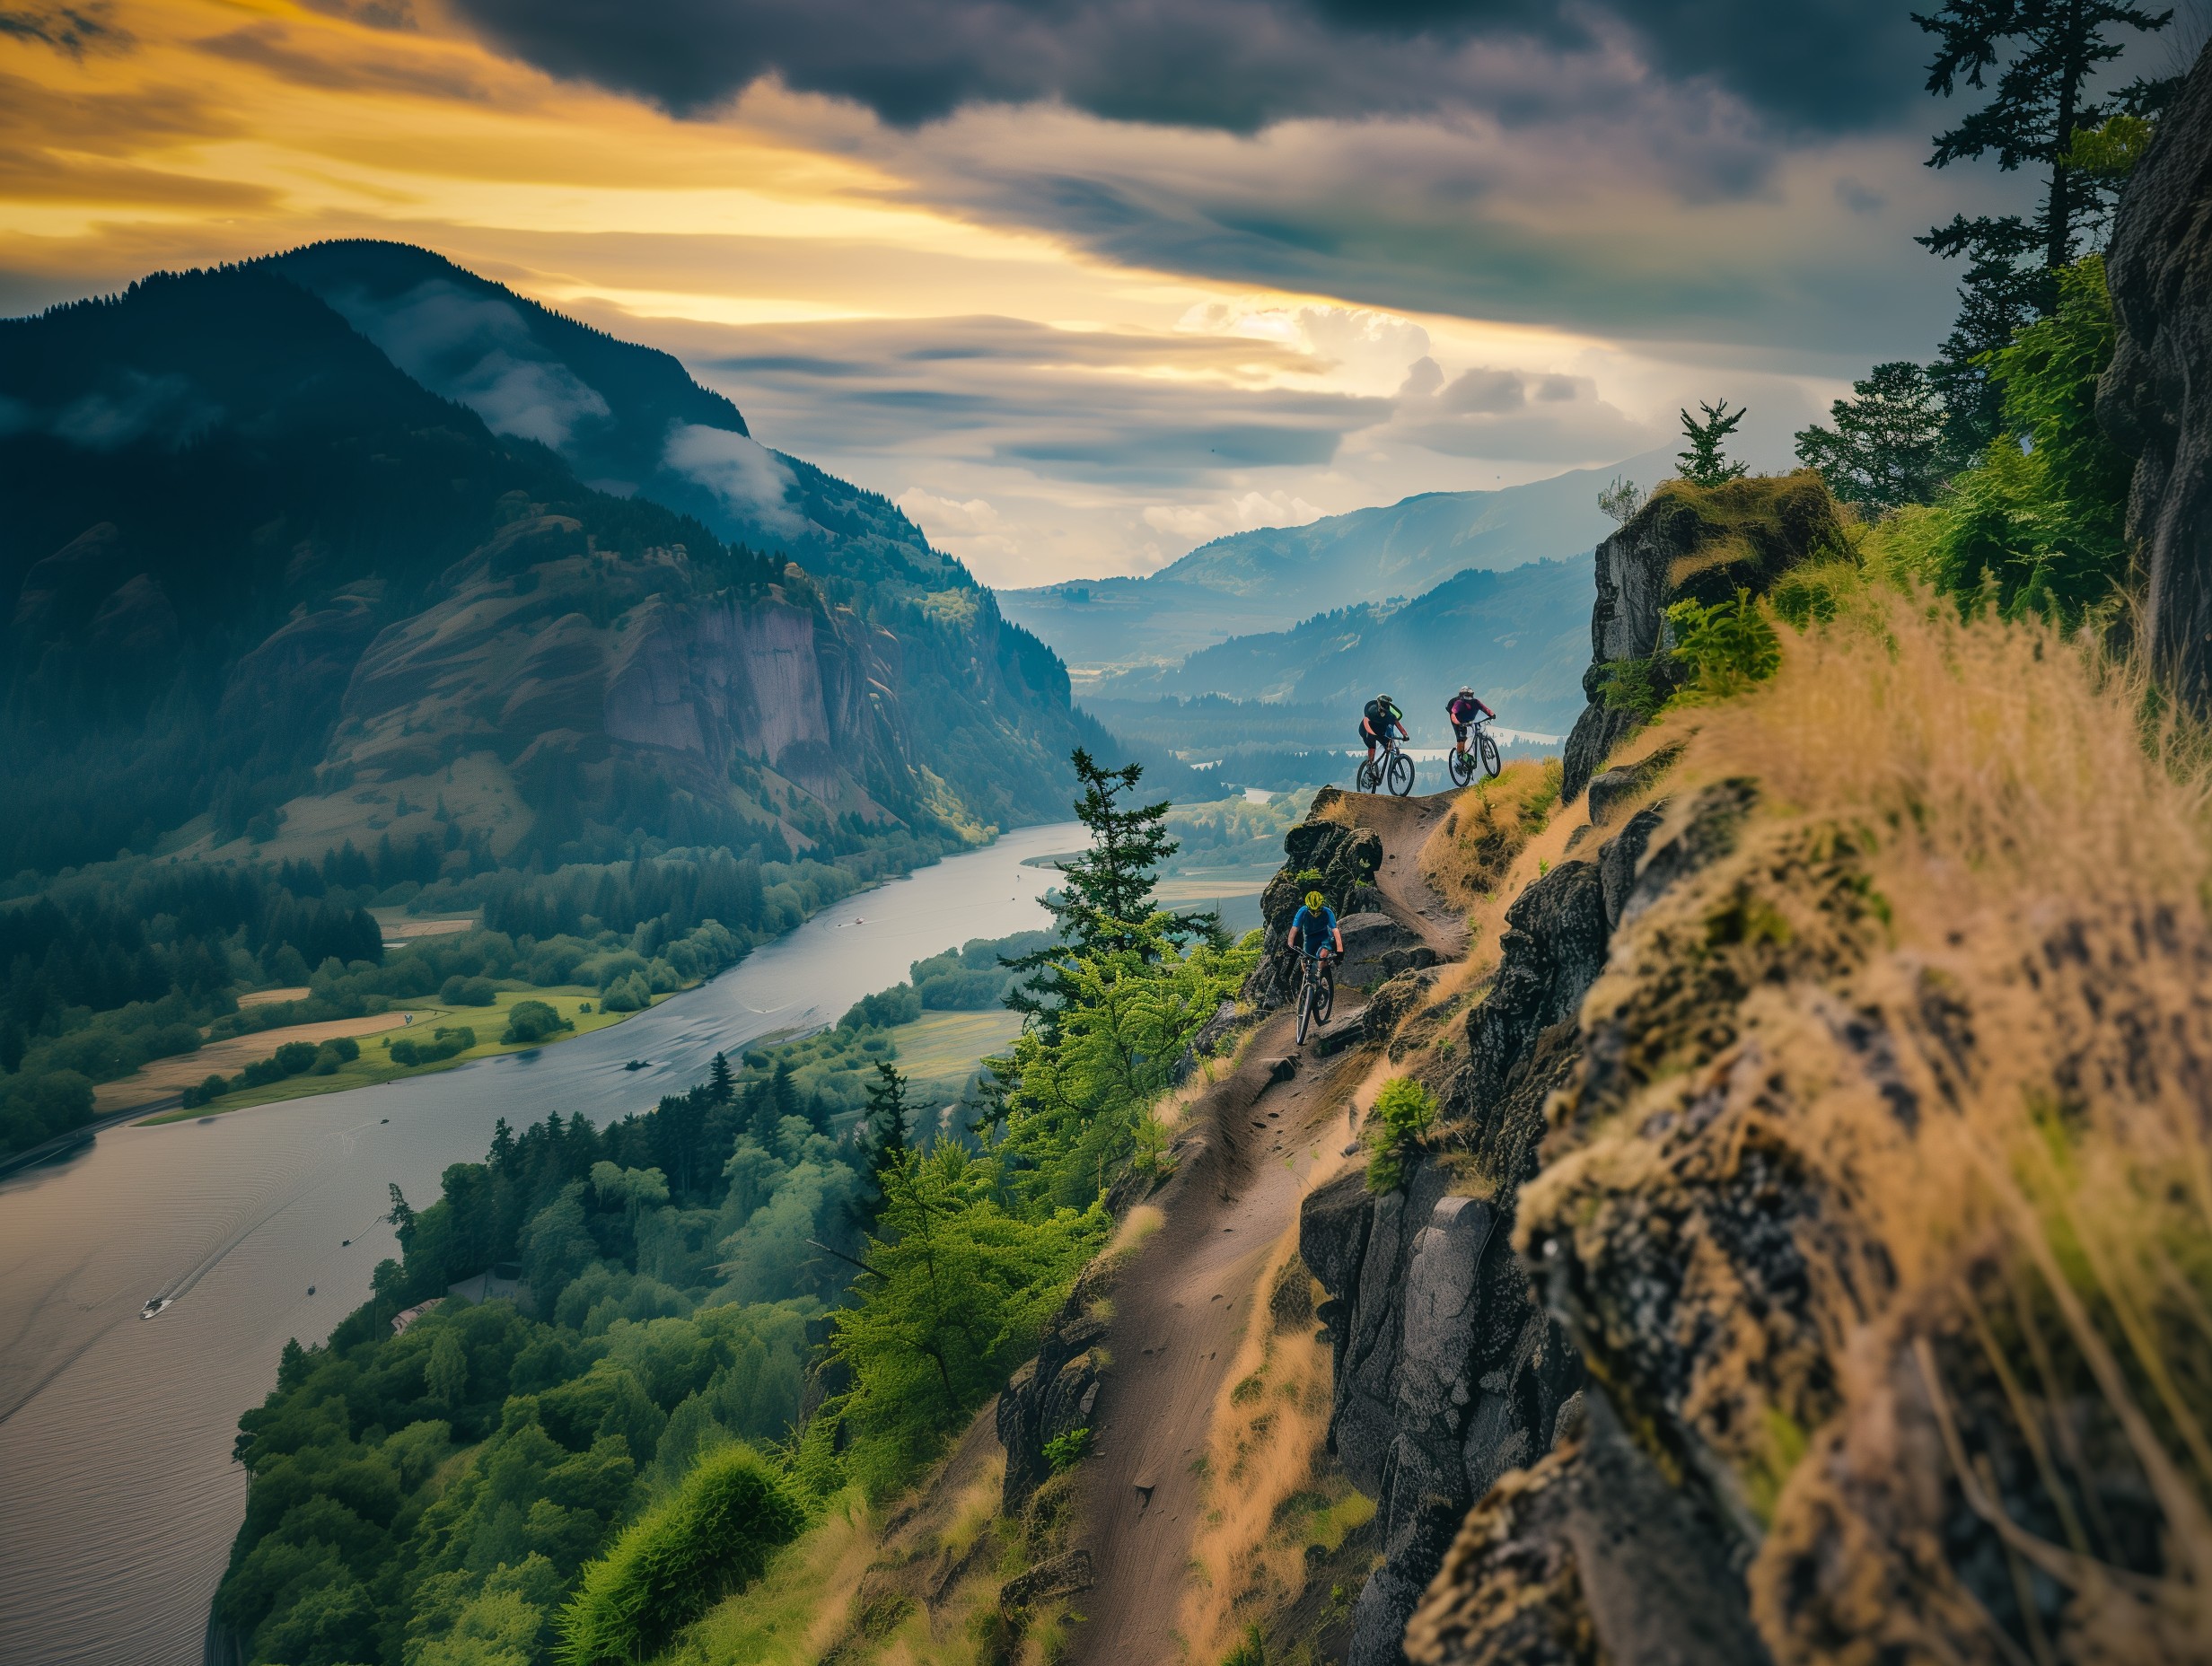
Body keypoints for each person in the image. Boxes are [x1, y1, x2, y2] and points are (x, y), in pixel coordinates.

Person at [1289, 890, 1342, 976]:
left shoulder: (1327, 912)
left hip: (1324, 937)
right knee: (1306, 960)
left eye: (1318, 910)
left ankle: (1320, 975)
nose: (1315, 913)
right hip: (1309, 938)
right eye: (1312, 910)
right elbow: (1295, 928)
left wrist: (1340, 950)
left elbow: (1335, 930)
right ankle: (1308, 980)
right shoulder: (1303, 911)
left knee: (1323, 955)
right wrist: (1290, 944)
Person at [1445, 686, 1496, 760]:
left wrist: (1491, 714)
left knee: (1475, 732)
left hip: (1469, 719)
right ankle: (1459, 757)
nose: (1469, 698)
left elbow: (1484, 708)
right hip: (1459, 721)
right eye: (1467, 696)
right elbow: (1453, 714)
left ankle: (1471, 752)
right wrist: (1459, 723)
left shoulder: (1475, 701)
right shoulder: (1458, 703)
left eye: (1470, 695)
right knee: (1461, 738)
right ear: (1462, 696)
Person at [1360, 691, 1407, 773]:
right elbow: (1366, 722)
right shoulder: (1372, 711)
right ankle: (1370, 765)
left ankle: (1382, 767)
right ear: (1379, 704)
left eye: (1387, 704)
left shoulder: (1390, 716)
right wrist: (1371, 733)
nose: (1386, 706)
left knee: (1389, 745)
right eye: (1384, 704)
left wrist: (1405, 735)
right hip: (1367, 730)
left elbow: (1398, 725)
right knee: (1372, 745)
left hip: (1380, 732)